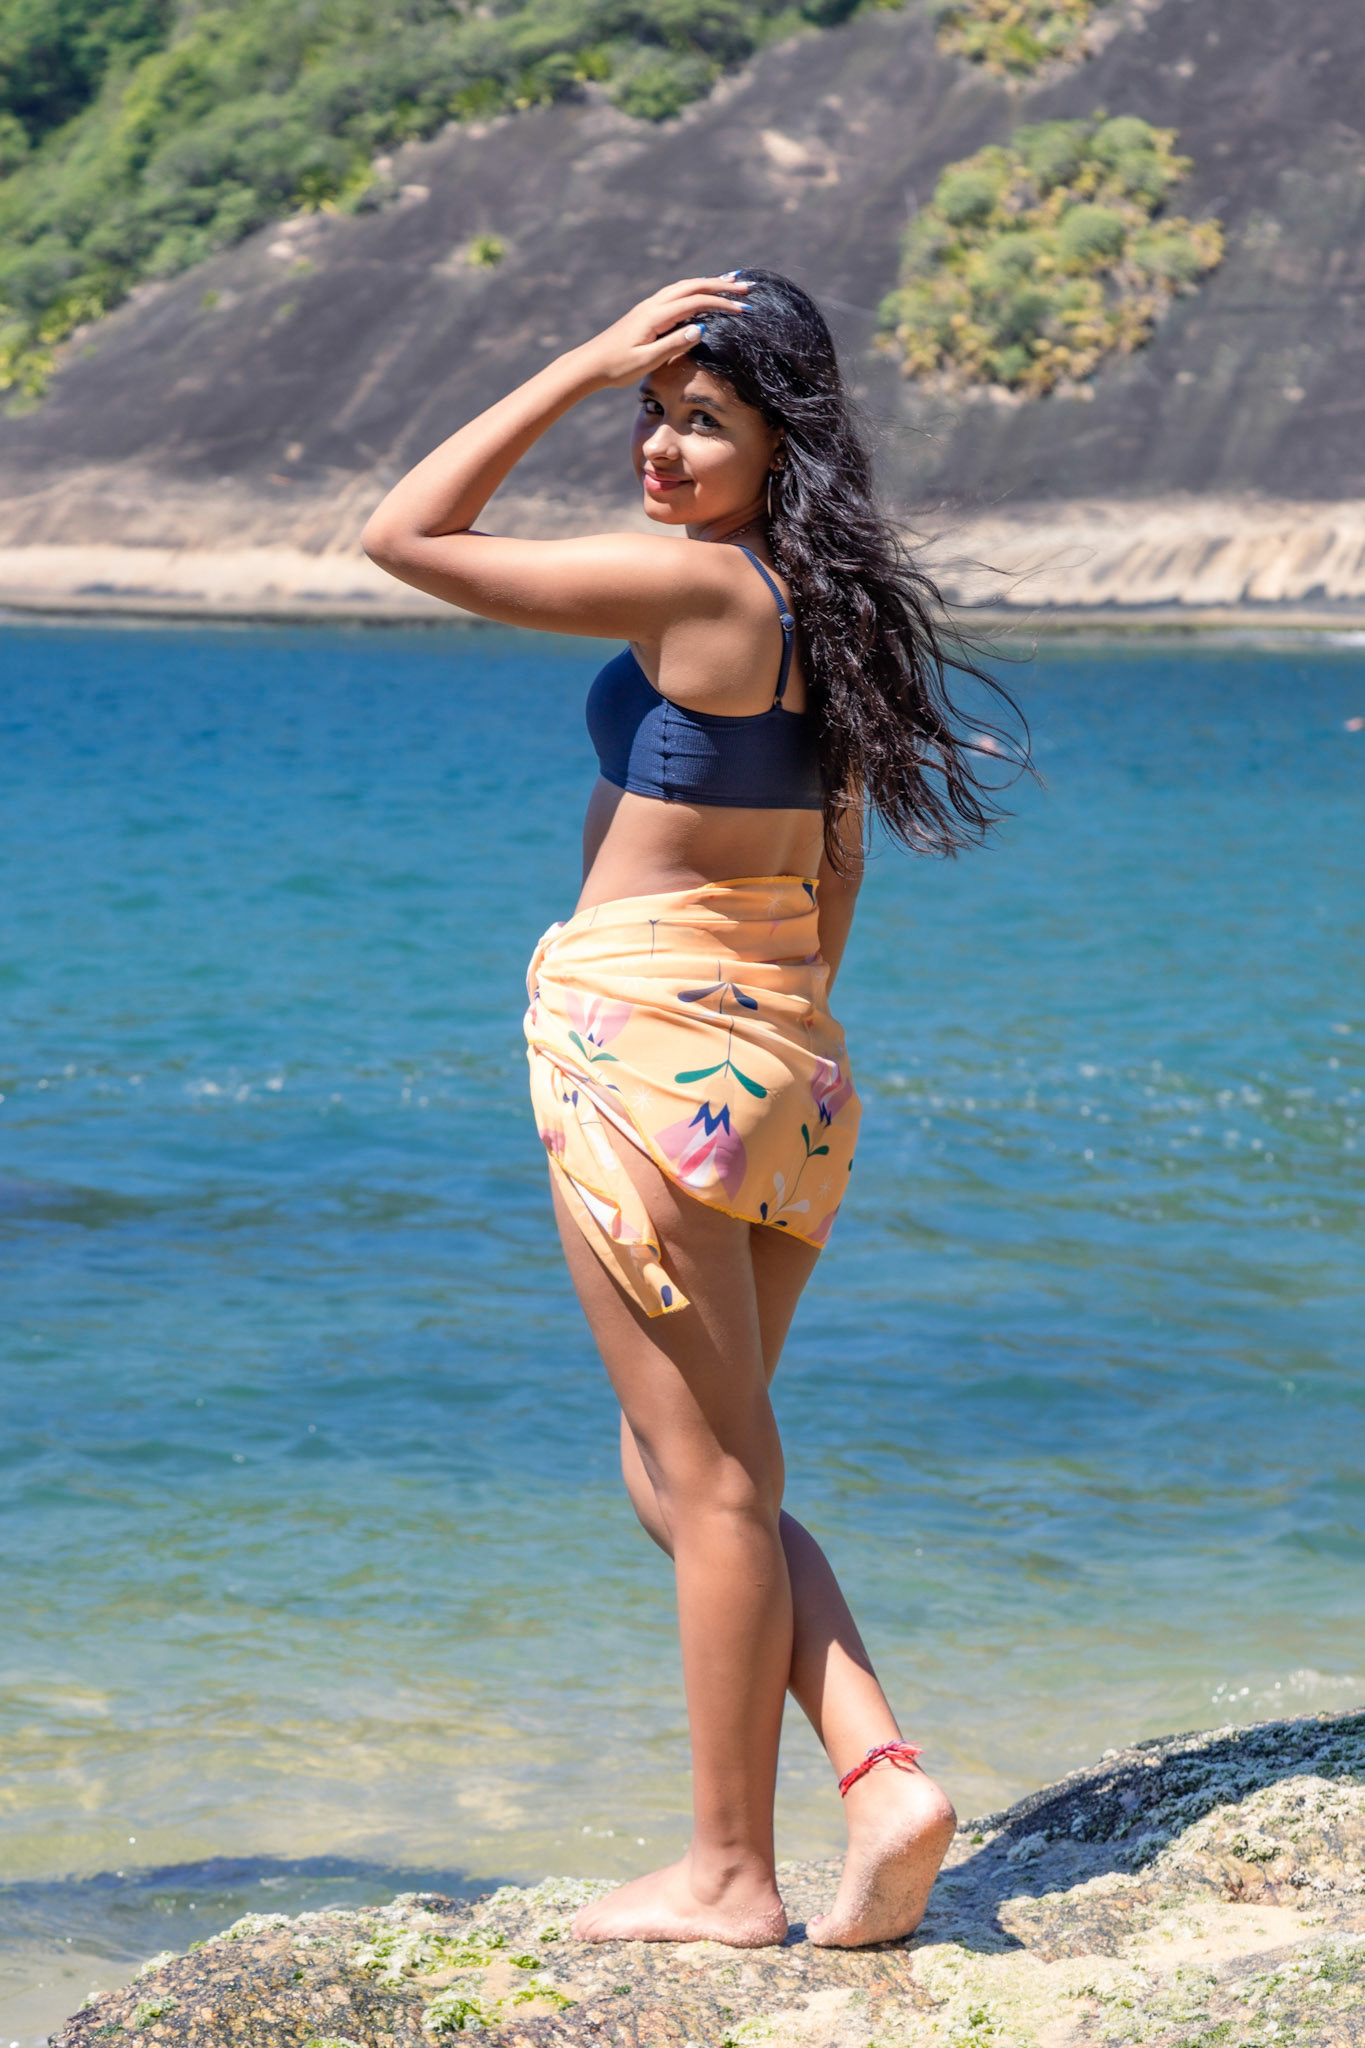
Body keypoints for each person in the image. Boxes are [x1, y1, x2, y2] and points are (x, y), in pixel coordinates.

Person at [362, 270, 1021, 1950]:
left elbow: (405, 535)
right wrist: (769, 1044)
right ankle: (880, 1769)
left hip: (647, 1038)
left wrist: (579, 366)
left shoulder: (698, 583)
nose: (657, 447)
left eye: (700, 421)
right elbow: (838, 862)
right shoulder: (832, 614)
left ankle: (729, 1875)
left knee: (708, 1480)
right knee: (686, 1471)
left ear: (780, 443)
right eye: (651, 413)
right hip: (784, 1056)